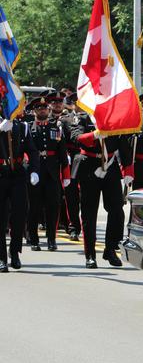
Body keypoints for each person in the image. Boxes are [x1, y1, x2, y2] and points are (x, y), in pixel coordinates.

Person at [71, 112, 133, 269]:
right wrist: (94, 134)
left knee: (117, 210)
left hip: (110, 166)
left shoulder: (114, 118)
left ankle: (110, 249)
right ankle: (90, 255)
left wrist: (128, 170)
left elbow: (123, 142)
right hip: (89, 165)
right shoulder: (84, 118)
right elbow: (76, 137)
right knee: (89, 213)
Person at [27, 97, 70, 251]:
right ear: (34, 111)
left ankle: (51, 239)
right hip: (35, 173)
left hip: (52, 173)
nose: (42, 110)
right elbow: (25, 151)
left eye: (44, 107)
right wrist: (30, 170)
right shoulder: (29, 128)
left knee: (53, 207)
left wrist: (66, 175)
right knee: (34, 207)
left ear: (49, 110)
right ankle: (33, 239)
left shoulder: (55, 128)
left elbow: (62, 152)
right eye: (39, 108)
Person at [0, 113, 39, 272]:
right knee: (1, 218)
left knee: (20, 215)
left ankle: (14, 252)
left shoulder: (22, 127)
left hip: (17, 174)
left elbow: (33, 151)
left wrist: (34, 170)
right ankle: (1, 257)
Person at [59, 93, 81, 241]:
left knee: (87, 198)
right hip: (72, 160)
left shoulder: (94, 120)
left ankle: (86, 226)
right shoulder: (65, 120)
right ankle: (73, 227)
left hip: (90, 160)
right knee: (71, 196)